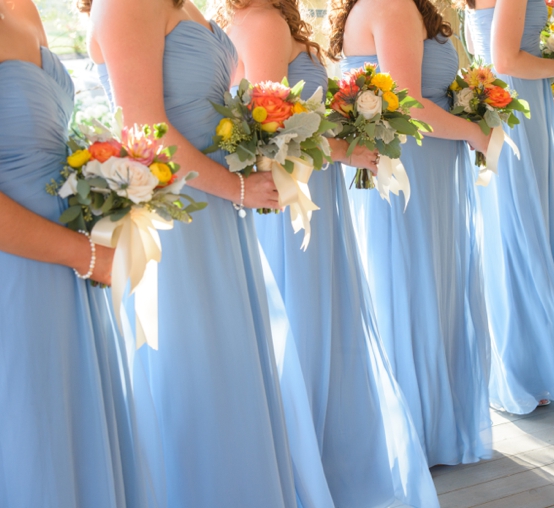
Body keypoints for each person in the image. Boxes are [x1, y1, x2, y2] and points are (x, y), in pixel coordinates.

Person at [213, 1, 439, 506]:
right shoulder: (265, 23)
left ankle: (330, 460)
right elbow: (271, 129)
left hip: (316, 197)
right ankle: (311, 466)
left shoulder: (272, 20)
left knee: (326, 320)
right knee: (307, 323)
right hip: (294, 203)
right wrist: (344, 152)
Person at [83, 0, 302, 505]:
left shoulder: (183, 5)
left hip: (218, 205)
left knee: (230, 356)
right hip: (177, 211)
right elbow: (142, 125)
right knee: (196, 360)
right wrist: (236, 187)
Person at [0, 1, 156, 506]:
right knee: (32, 430)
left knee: (71, 420)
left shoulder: (20, 7)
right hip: (21, 268)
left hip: (71, 255)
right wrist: (83, 254)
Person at [328, 0, 493, 466]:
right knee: (413, 287)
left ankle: (428, 423)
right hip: (409, 171)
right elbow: (412, 106)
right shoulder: (392, 6)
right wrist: (474, 133)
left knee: (425, 286)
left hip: (423, 165)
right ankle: (415, 430)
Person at [462, 0, 554, 415]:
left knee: (514, 229)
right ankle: (529, 369)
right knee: (525, 229)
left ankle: (528, 365)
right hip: (518, 108)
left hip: (509, 104)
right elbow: (507, 58)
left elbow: (485, 51)